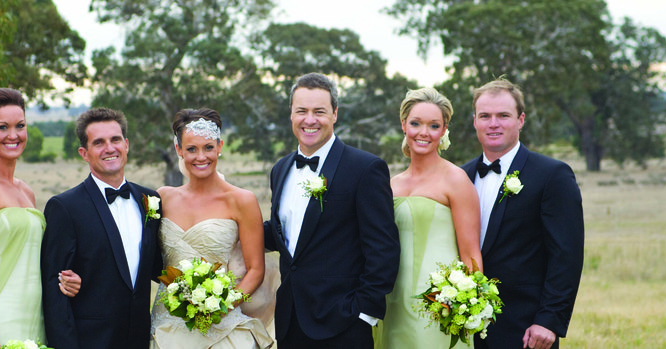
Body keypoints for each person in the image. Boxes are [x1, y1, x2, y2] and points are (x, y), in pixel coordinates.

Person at [264, 72, 401, 348]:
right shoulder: (280, 169)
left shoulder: (365, 168)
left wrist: (365, 313)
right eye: (301, 111)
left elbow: (383, 248)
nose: (310, 119)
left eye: (319, 111)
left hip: (344, 323)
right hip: (291, 320)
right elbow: (285, 236)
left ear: (335, 114)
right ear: (291, 114)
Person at [461, 78, 583, 349]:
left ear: (521, 119)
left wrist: (549, 320)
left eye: (503, 115)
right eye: (485, 116)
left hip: (526, 328)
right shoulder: (460, 176)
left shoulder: (552, 175)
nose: (494, 123)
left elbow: (566, 255)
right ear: (475, 121)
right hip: (465, 327)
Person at [0, 88, 80, 349]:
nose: (13, 135)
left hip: (34, 315)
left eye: (20, 126)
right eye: (2, 127)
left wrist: (69, 278)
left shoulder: (26, 191)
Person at [148, 108, 274, 349]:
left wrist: (220, 306)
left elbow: (256, 270)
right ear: (179, 150)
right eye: (191, 149)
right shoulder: (163, 198)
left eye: (208, 147)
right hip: (167, 325)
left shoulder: (242, 200)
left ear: (220, 146)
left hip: (222, 325)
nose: (201, 157)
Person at [41, 107, 162, 349]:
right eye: (99, 142)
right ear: (84, 153)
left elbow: (156, 266)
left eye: (115, 139)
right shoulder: (64, 207)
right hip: (90, 341)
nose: (110, 148)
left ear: (126, 144)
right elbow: (54, 293)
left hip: (138, 338)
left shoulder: (150, 200)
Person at [373, 88, 483, 349]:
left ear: (444, 130)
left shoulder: (456, 180)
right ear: (403, 125)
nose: (424, 132)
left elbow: (471, 255)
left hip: (439, 306)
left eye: (434, 125)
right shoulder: (390, 185)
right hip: (392, 303)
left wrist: (467, 308)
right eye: (416, 123)